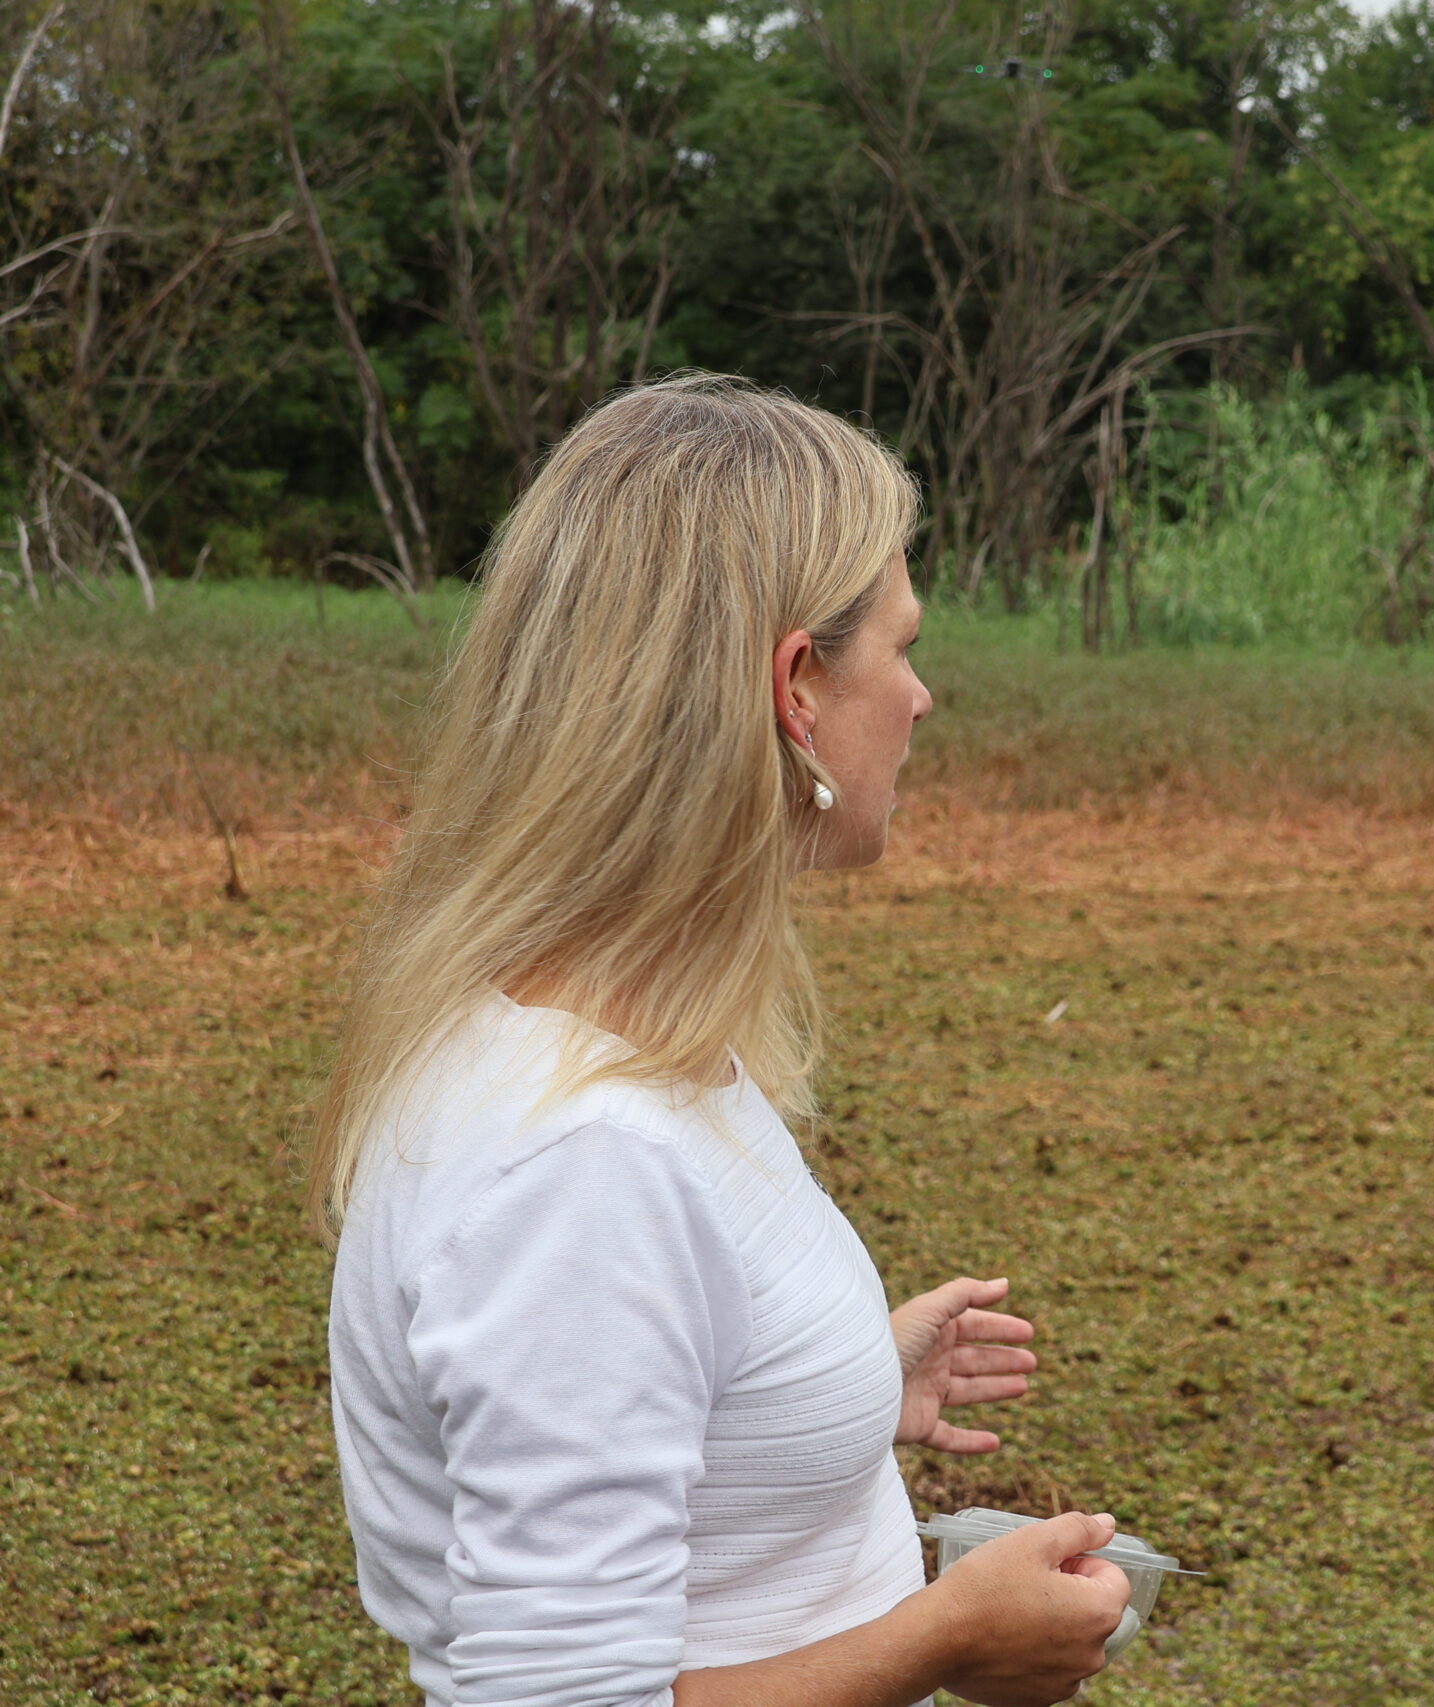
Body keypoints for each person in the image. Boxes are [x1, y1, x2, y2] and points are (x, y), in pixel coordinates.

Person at [310, 375, 1130, 1707]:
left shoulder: (607, 1035)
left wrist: (839, 1382)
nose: (922, 697)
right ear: (797, 687)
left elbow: (643, 1399)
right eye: (900, 648)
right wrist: (944, 1636)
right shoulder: (575, 1163)